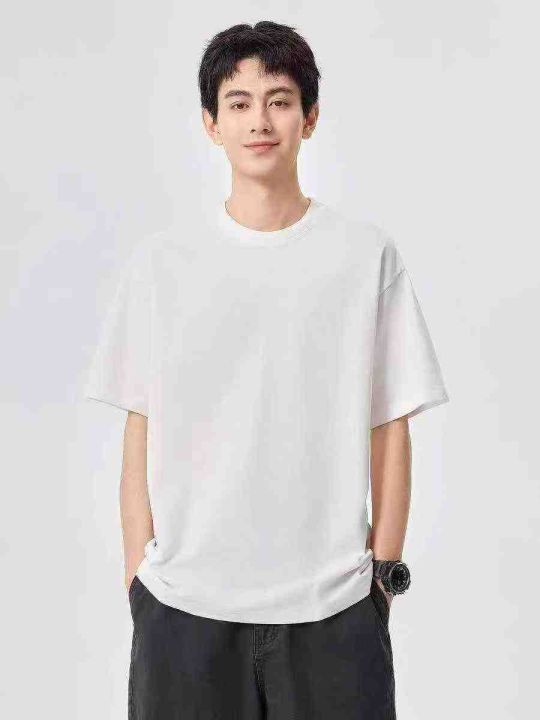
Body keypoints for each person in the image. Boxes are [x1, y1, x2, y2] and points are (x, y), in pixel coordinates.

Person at [84, 20, 449, 720]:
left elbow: (391, 425)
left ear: (310, 118)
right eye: (239, 102)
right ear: (211, 123)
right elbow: (141, 425)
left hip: (334, 610)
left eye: (279, 101)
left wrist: (382, 578)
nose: (260, 120)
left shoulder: (363, 256)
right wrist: (138, 576)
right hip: (184, 608)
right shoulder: (163, 264)